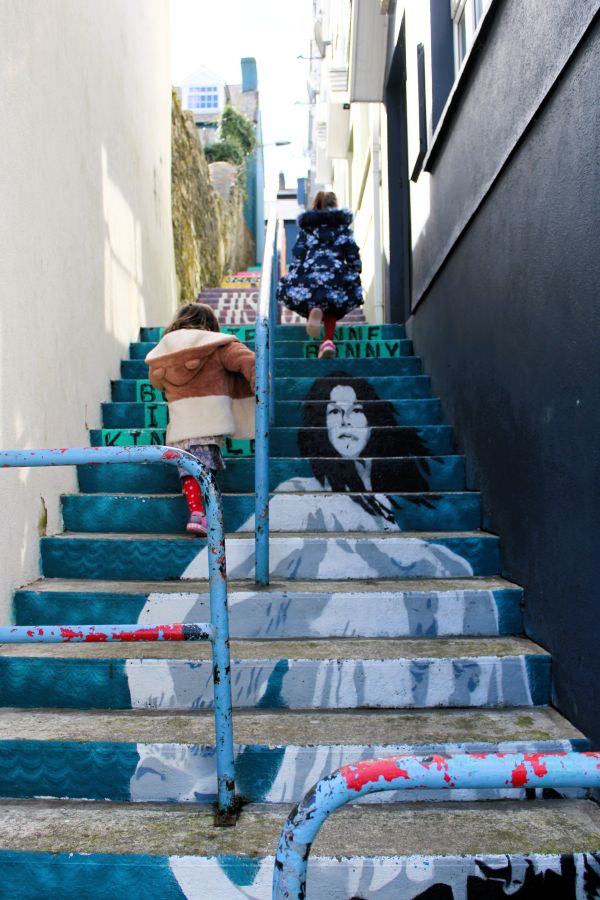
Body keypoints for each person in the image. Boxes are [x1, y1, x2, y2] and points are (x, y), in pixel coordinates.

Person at [145, 303, 255, 536]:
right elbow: (247, 360)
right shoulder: (216, 346)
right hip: (208, 422)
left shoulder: (165, 350)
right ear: (210, 325)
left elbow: (155, 381)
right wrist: (259, 382)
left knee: (188, 471)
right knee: (205, 471)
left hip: (180, 425)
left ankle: (198, 511)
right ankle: (202, 515)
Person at [277, 191, 363, 359]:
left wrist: (295, 272)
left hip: (311, 271)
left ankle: (313, 311)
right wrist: (355, 268)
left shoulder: (308, 229)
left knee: (313, 299)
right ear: (335, 204)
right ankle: (327, 342)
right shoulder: (341, 228)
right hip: (335, 272)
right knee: (332, 307)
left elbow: (298, 253)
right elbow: (351, 251)